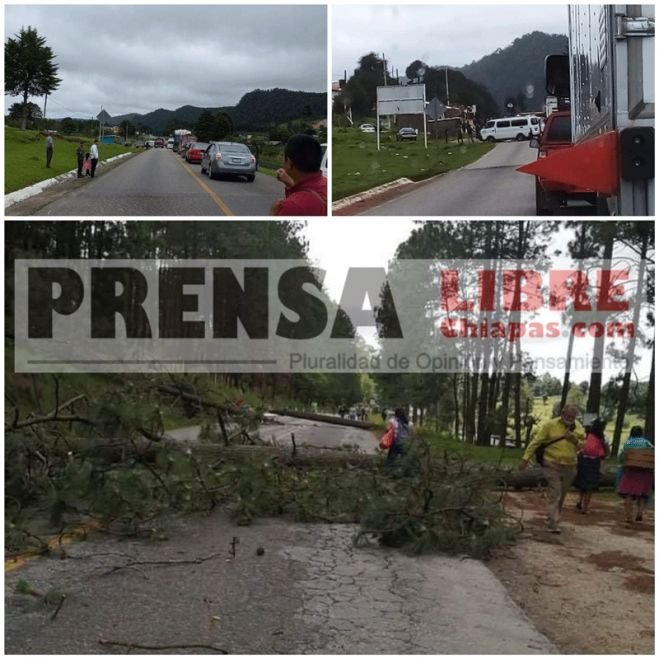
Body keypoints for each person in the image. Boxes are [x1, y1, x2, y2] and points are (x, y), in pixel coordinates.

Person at [519, 403, 585, 533]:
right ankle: (553, 522)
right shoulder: (550, 425)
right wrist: (525, 458)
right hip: (551, 464)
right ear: (563, 414)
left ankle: (554, 518)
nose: (571, 418)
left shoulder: (579, 428)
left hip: (570, 465)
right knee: (555, 492)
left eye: (573, 416)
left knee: (562, 494)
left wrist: (575, 440)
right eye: (569, 415)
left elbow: (583, 445)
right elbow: (536, 442)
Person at [271, 135, 327, 216]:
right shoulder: (325, 183)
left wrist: (274, 214)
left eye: (283, 158)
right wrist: (291, 186)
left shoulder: (293, 207)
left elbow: (300, 202)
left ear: (289, 163)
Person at [616, 426, 654, 523]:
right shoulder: (647, 442)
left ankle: (629, 516)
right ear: (641, 434)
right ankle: (640, 513)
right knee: (642, 495)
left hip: (630, 473)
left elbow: (622, 457)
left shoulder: (628, 443)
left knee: (628, 493)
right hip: (645, 474)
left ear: (631, 433)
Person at [575, 418, 608, 514]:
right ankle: (585, 507)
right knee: (590, 486)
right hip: (594, 462)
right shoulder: (601, 437)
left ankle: (580, 501)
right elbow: (604, 451)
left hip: (583, 459)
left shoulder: (587, 434)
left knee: (583, 483)